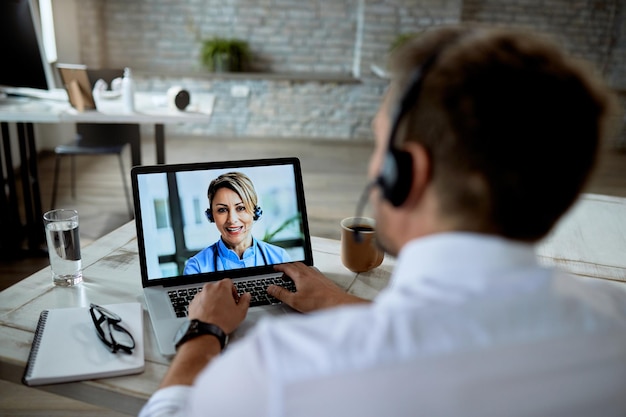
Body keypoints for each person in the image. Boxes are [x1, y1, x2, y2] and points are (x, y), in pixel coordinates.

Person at [140, 25, 626, 417]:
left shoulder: (280, 370)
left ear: (405, 172)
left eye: (378, 144)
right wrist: (342, 302)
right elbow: (462, 335)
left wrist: (204, 333)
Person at [183, 171, 290, 274]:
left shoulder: (280, 258)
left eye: (241, 208)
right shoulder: (197, 267)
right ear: (211, 215)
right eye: (222, 210)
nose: (232, 219)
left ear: (255, 211)